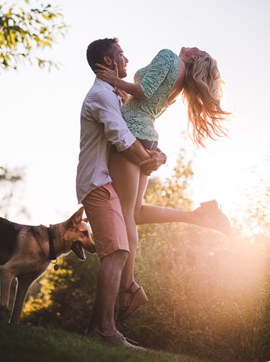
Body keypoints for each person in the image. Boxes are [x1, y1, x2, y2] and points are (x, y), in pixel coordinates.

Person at [95, 46, 231, 321]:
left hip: (131, 134)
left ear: (193, 58)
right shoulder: (181, 81)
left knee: (125, 216)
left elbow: (143, 91)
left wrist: (114, 81)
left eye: (198, 48)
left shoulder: (170, 56)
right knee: (134, 212)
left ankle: (128, 287)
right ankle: (199, 216)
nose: (193, 45)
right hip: (146, 136)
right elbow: (147, 97)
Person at [76, 38, 166, 348]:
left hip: (105, 183)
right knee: (116, 252)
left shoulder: (114, 93)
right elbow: (120, 137)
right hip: (97, 184)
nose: (126, 60)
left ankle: (98, 329)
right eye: (120, 55)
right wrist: (148, 160)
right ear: (107, 60)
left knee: (117, 251)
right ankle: (106, 331)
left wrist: (159, 155)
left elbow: (134, 132)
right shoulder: (101, 95)